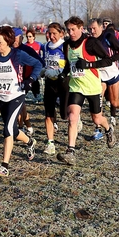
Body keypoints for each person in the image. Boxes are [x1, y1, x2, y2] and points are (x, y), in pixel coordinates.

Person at [0, 26, 42, 177]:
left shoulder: (18, 54)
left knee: (7, 130)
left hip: (16, 96)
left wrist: (31, 79)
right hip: (1, 97)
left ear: (8, 41)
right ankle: (30, 142)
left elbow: (38, 64)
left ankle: (4, 166)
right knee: (13, 131)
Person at [56, 16, 116, 165]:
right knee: (73, 117)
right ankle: (70, 151)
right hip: (76, 86)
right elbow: (68, 64)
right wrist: (64, 73)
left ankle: (108, 129)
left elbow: (108, 60)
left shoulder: (91, 43)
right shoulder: (67, 45)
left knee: (97, 119)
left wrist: (88, 65)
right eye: (69, 30)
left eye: (73, 29)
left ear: (81, 29)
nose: (71, 33)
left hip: (93, 87)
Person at [85, 18, 119, 139]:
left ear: (101, 27)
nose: (92, 31)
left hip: (112, 72)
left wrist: (109, 60)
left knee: (114, 102)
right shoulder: (89, 41)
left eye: (94, 28)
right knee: (98, 102)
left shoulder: (108, 36)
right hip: (99, 76)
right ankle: (98, 129)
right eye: (90, 29)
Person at [13, 27, 45, 135]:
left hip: (26, 80)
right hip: (13, 83)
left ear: (21, 38)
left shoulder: (27, 50)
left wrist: (32, 77)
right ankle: (25, 126)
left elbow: (40, 63)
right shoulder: (7, 50)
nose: (14, 40)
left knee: (20, 105)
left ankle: (24, 126)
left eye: (16, 38)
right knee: (20, 105)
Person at [41, 22, 67, 155]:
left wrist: (59, 72)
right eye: (49, 33)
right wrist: (43, 70)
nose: (51, 36)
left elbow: (69, 64)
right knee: (48, 114)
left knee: (64, 114)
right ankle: (50, 143)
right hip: (50, 84)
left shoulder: (65, 46)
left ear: (61, 33)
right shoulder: (45, 46)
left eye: (54, 34)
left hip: (63, 83)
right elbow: (44, 62)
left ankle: (76, 117)